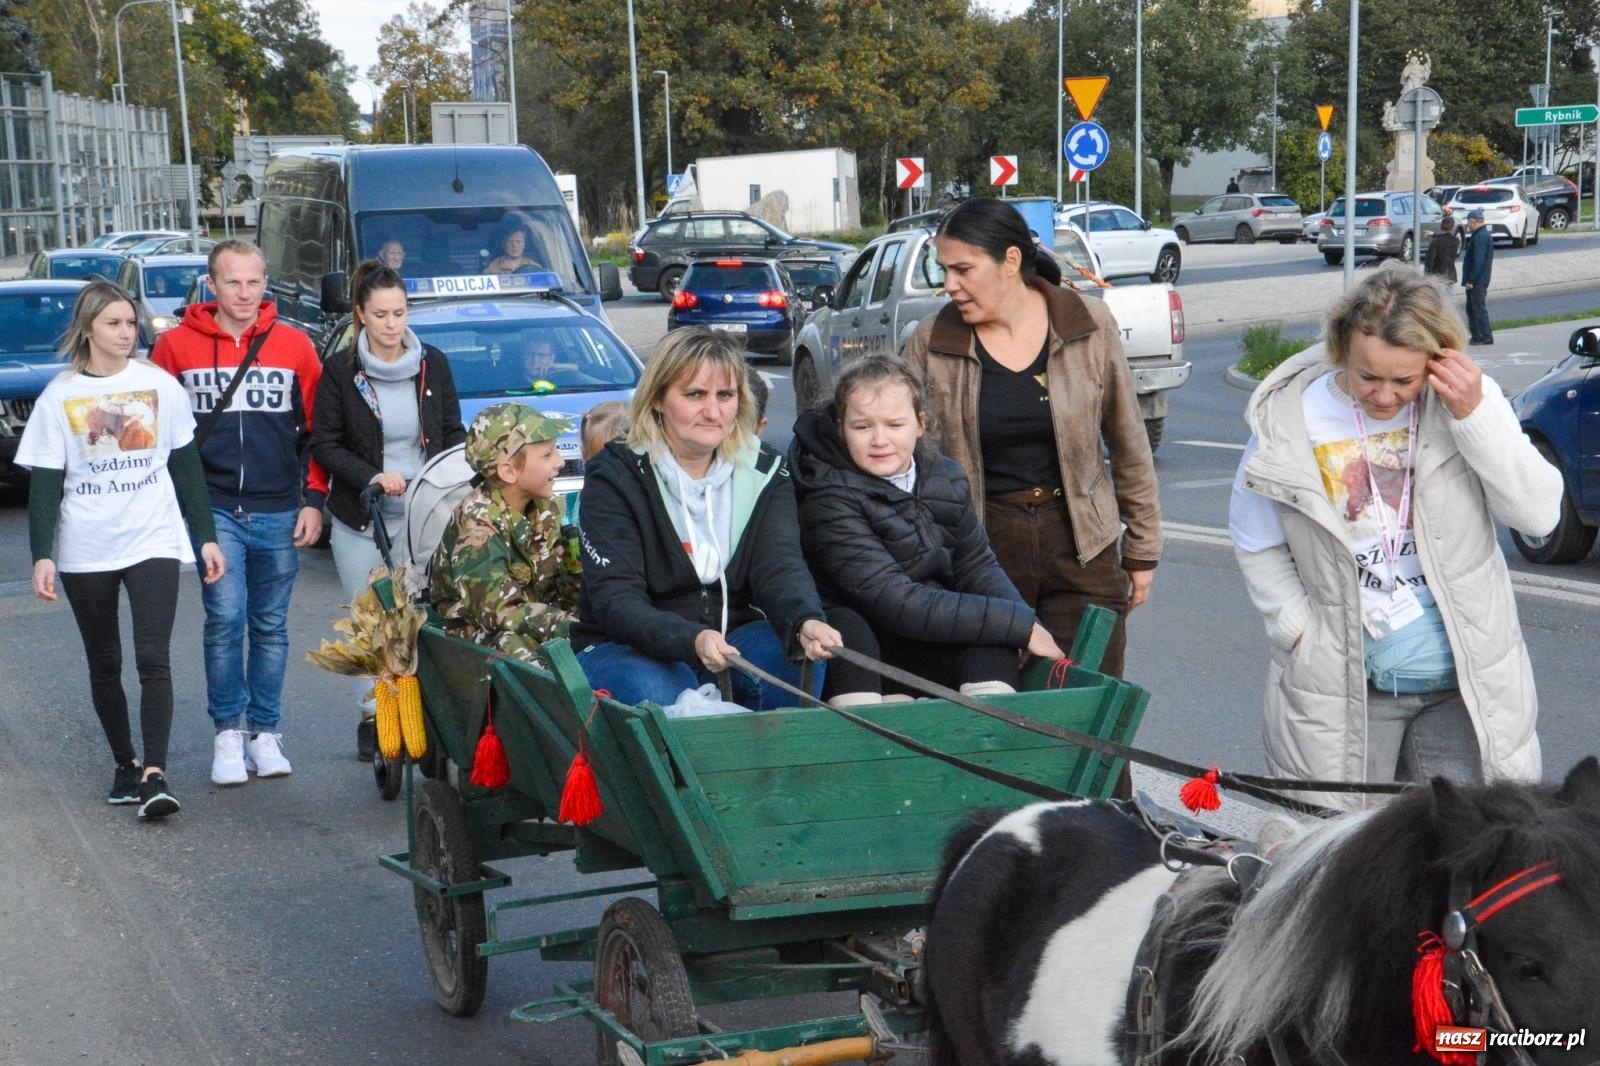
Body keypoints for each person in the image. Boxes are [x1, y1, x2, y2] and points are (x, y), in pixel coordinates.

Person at [1228, 264, 1561, 807]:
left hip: (1464, 678)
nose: (1384, 396)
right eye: (1368, 377)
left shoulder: (1469, 405)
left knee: (1469, 849)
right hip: (1346, 680)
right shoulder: (1292, 420)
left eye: (1404, 381)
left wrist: (1475, 417)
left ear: (1439, 359)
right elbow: (1255, 537)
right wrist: (1297, 630)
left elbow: (1540, 515)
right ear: (1341, 350)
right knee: (1348, 854)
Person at [902, 198, 1161, 683]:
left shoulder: (1087, 324)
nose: (949, 285)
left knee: (1087, 708)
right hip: (980, 556)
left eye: (962, 269)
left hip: (1083, 547)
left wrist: (1142, 548)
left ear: (1011, 263)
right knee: (1004, 719)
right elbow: (900, 456)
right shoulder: (933, 340)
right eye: (944, 270)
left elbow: (1128, 441)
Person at [21, 282, 227, 819]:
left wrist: (204, 535)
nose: (126, 332)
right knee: (105, 661)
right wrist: (42, 552)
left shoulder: (159, 386)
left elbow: (186, 467)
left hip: (151, 538)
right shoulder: (58, 397)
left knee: (153, 657)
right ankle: (125, 761)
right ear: (88, 328)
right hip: (86, 546)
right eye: (113, 323)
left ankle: (155, 775)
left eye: (131, 323)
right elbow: (46, 481)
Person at [572, 327, 843, 709]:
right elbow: (616, 600)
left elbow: (780, 567)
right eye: (695, 394)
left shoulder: (765, 472)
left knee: (793, 661)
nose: (713, 412)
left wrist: (804, 621)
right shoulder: (615, 475)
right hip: (626, 646)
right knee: (664, 687)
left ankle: (772, 769)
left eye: (725, 395)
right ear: (658, 400)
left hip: (729, 637)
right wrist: (691, 639)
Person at [151, 238, 328, 787]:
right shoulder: (176, 348)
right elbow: (154, 434)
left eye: (254, 282)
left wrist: (314, 500)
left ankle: (265, 732)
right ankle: (228, 733)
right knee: (225, 619)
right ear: (212, 285)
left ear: (265, 284)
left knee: (271, 626)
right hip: (214, 509)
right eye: (233, 282)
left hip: (280, 507)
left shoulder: (296, 346)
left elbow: (319, 431)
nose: (245, 293)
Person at [790, 355, 1064, 706]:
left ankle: (987, 739)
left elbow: (977, 565)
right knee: (847, 632)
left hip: (930, 630)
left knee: (994, 641)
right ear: (841, 428)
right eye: (862, 427)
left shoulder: (945, 476)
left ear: (920, 425)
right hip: (873, 640)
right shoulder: (828, 497)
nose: (879, 440)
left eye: (894, 425)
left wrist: (1024, 623)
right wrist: (1018, 625)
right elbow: (895, 601)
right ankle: (875, 737)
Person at [311, 261, 465, 750]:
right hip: (364, 514)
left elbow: (453, 432)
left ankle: (422, 711)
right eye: (380, 314)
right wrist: (373, 477)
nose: (392, 324)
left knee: (422, 615)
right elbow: (326, 444)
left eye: (399, 312)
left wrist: (452, 475)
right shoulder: (341, 372)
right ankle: (375, 715)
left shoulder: (432, 364)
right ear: (361, 315)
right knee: (372, 618)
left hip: (424, 515)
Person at [430, 403, 581, 663]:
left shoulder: (546, 508)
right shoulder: (478, 525)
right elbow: (499, 613)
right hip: (475, 637)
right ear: (508, 471)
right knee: (517, 650)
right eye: (547, 455)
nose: (560, 462)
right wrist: (574, 627)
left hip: (535, 622)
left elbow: (561, 592)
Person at [1461, 208, 1494, 345]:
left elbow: (1478, 260)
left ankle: (1483, 335)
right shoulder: (1483, 235)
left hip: (1477, 280)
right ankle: (1478, 335)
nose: (1468, 225)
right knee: (1473, 307)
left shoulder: (1480, 237)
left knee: (1477, 308)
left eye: (1468, 222)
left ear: (1473, 222)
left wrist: (1471, 280)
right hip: (1480, 278)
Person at [1422, 213, 1459, 287]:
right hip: (1450, 274)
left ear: (1441, 226)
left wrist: (1427, 274)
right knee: (1449, 295)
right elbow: (1446, 239)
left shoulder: (1435, 241)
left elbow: (1430, 259)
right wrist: (1434, 235)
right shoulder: (1456, 241)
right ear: (1453, 227)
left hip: (1437, 274)